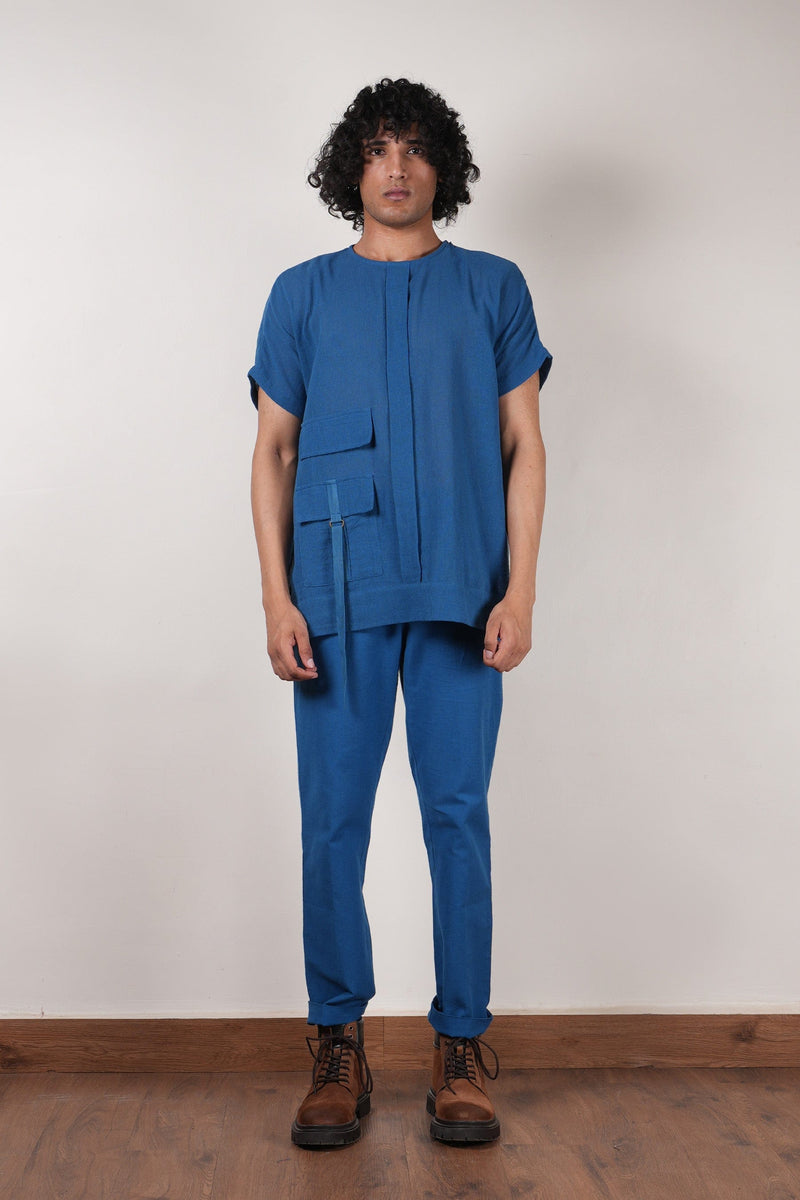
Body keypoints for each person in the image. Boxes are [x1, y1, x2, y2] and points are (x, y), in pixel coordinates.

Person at [247, 76, 552, 1148]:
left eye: (415, 147)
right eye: (378, 148)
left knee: (456, 816)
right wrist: (276, 596)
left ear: (442, 168)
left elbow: (523, 445)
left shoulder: (493, 287)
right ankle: (337, 1046)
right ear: (352, 167)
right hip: (336, 597)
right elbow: (272, 452)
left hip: (464, 597)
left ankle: (459, 1048)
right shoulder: (300, 295)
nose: (395, 166)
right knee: (331, 822)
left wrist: (519, 589)